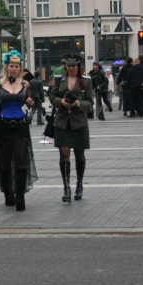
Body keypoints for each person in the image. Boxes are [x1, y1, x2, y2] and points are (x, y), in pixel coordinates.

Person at [0, 49, 38, 211]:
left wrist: (29, 102)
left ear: (20, 68)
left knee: (22, 160)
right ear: (6, 66)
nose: (14, 68)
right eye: (11, 65)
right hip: (3, 125)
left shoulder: (25, 84)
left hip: (21, 125)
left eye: (17, 66)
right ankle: (8, 193)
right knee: (4, 161)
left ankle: (21, 196)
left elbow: (29, 102)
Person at [49, 53, 93, 202]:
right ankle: (66, 187)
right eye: (68, 66)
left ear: (78, 66)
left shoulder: (85, 82)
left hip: (79, 122)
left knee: (80, 155)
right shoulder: (58, 80)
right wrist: (61, 102)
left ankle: (79, 184)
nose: (71, 68)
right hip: (61, 122)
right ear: (65, 66)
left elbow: (90, 103)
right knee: (64, 153)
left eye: (74, 66)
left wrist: (78, 104)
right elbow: (52, 97)